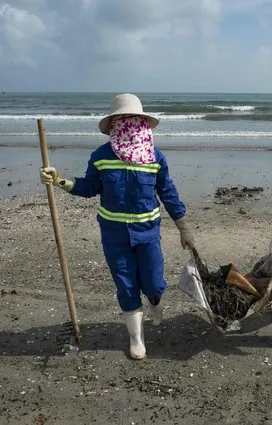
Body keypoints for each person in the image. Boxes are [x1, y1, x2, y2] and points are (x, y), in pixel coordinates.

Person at [40, 93, 195, 360]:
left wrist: (183, 227)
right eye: (123, 120)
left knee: (156, 284)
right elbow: (89, 187)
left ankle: (155, 304)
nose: (129, 125)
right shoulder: (101, 156)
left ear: (143, 123)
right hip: (113, 234)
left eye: (134, 120)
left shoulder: (155, 158)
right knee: (125, 285)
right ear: (114, 124)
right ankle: (136, 338)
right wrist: (60, 180)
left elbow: (168, 192)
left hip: (147, 233)